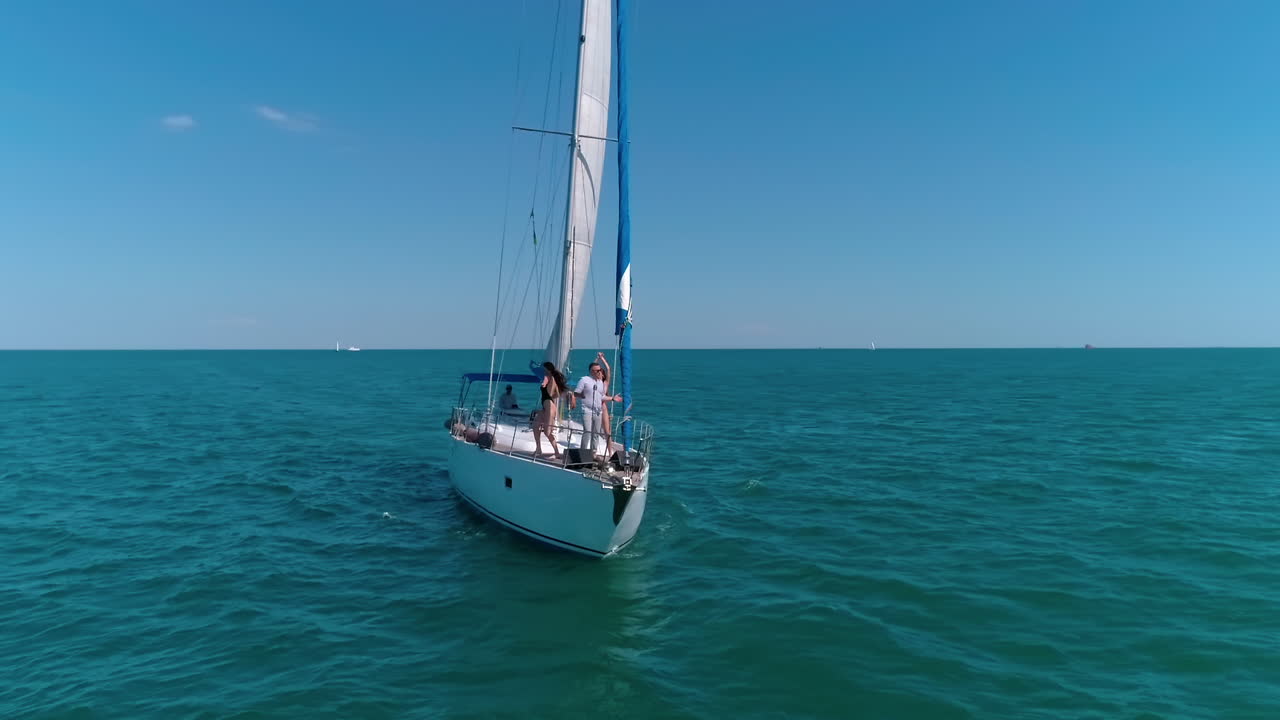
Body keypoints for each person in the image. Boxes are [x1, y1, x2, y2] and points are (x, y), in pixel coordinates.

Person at [574, 357, 622, 459]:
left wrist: (613, 398)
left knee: (595, 433)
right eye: (597, 370)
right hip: (587, 410)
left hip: (598, 411)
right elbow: (576, 392)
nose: (600, 372)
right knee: (587, 431)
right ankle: (583, 452)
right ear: (592, 371)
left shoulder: (600, 382)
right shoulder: (584, 380)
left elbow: (601, 396)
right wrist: (580, 395)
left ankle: (593, 453)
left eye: (600, 370)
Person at [534, 362, 568, 459]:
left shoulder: (547, 377)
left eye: (544, 368)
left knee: (547, 432)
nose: (543, 370)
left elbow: (544, 384)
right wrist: (549, 395)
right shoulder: (553, 379)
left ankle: (556, 452)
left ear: (547, 369)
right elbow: (557, 394)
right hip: (547, 405)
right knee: (535, 426)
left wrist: (544, 385)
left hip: (549, 406)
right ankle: (538, 449)